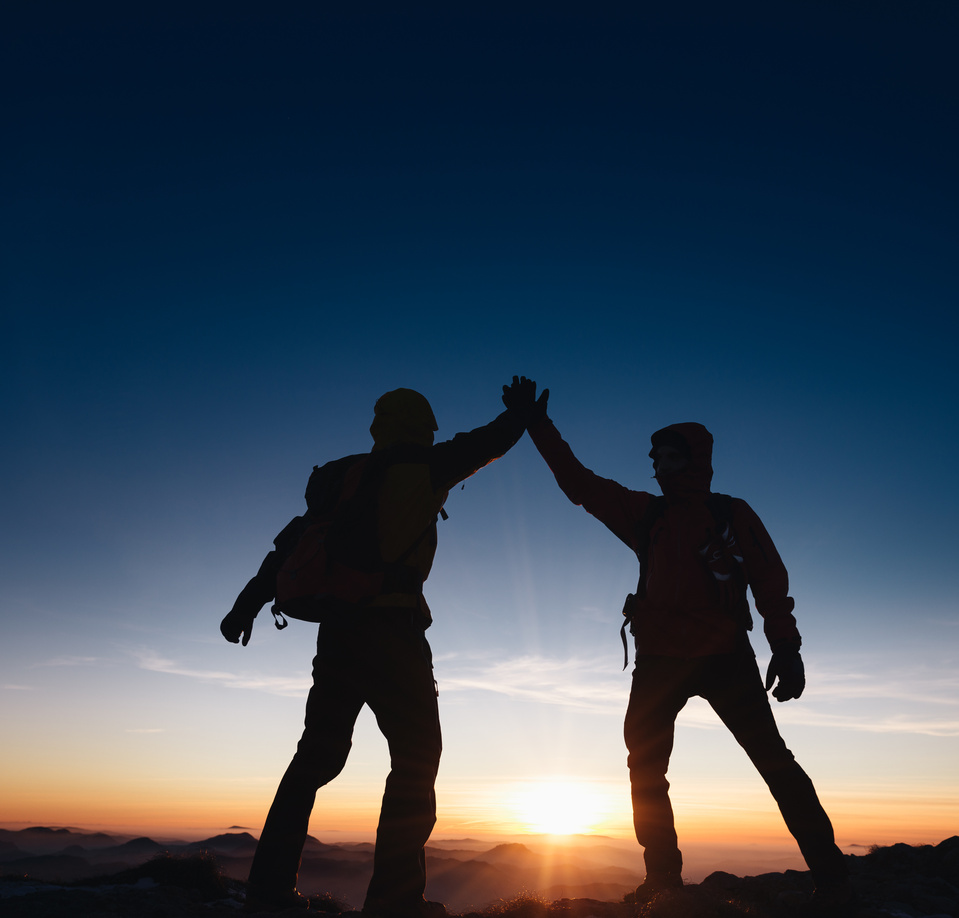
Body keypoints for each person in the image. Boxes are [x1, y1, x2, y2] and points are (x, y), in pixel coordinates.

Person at [220, 380, 539, 916]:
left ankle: (268, 889)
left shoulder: (342, 480)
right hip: (393, 633)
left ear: (377, 428)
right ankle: (395, 902)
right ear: (423, 427)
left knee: (314, 758)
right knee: (416, 759)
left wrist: (244, 607)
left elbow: (287, 547)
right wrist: (521, 413)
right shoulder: (427, 467)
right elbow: (491, 441)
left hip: (339, 635)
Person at [524, 393, 852, 905]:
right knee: (647, 767)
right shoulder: (645, 514)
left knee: (772, 761)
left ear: (695, 461)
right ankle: (663, 880)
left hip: (722, 655)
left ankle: (831, 876)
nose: (658, 467)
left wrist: (785, 645)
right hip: (660, 658)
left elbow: (769, 578)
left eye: (670, 458)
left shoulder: (730, 514)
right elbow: (580, 485)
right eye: (654, 459)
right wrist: (539, 426)